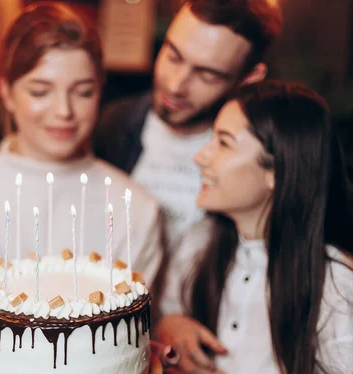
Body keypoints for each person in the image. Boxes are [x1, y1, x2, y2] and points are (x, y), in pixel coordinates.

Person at [0, 3, 165, 374]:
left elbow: (121, 347)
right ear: (6, 91)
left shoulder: (137, 206)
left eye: (83, 92)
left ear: (101, 90)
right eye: (40, 91)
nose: (64, 111)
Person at [156, 81, 353, 374]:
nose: (201, 157)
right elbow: (164, 309)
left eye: (224, 143)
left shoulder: (336, 287)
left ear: (276, 169)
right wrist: (170, 324)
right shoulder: (199, 242)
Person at [95, 0, 282, 248]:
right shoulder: (111, 124)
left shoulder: (260, 157)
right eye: (173, 55)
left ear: (250, 78)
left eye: (207, 74)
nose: (175, 85)